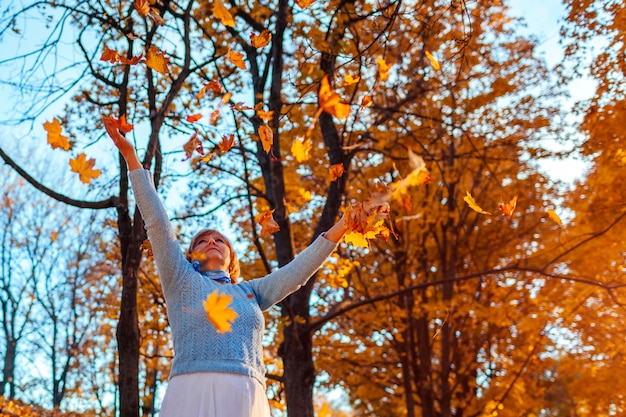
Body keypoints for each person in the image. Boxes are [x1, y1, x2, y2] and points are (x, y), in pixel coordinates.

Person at [104, 119, 351, 417]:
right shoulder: (180, 279)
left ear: (232, 257)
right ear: (191, 254)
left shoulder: (252, 293)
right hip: (191, 388)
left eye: (219, 239)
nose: (211, 241)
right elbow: (158, 223)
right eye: (203, 240)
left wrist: (342, 226)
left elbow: (297, 272)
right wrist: (131, 157)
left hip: (245, 393)